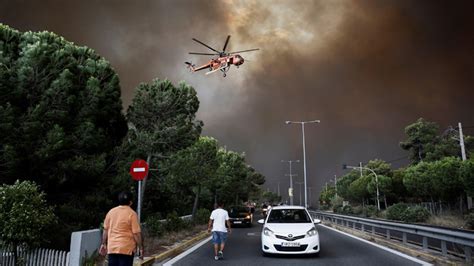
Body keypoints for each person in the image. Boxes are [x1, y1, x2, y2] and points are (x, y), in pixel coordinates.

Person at [100, 191, 144, 266]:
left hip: (112, 248)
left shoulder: (111, 212)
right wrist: (140, 248)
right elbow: (136, 233)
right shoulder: (132, 214)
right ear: (130, 202)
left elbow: (105, 230)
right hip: (126, 249)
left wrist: (103, 243)